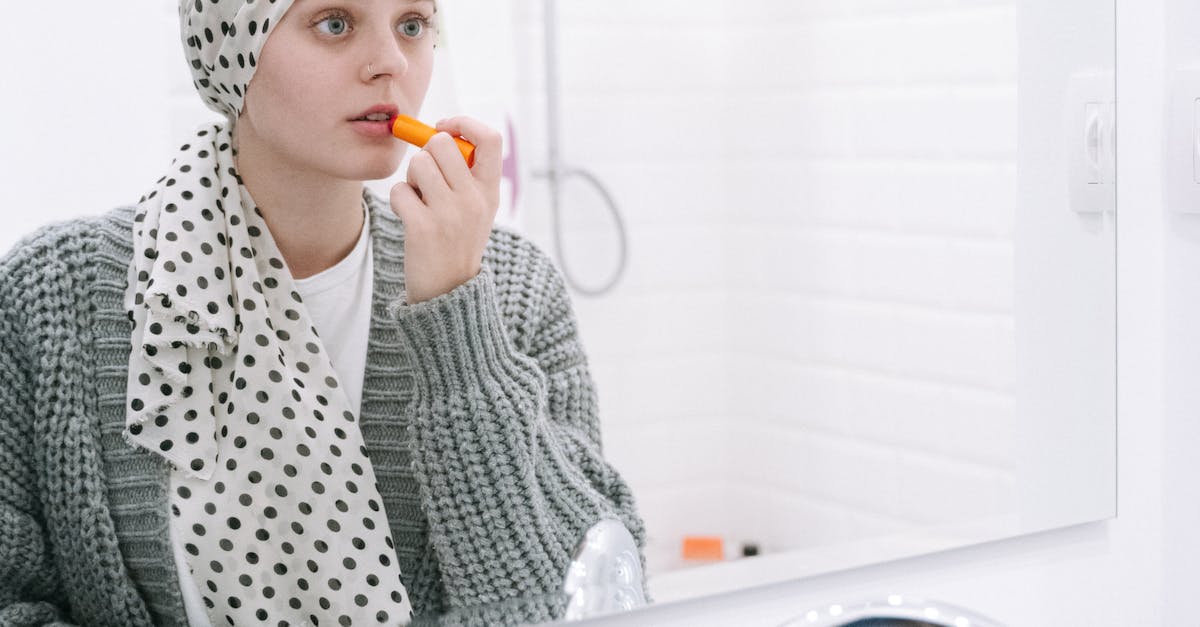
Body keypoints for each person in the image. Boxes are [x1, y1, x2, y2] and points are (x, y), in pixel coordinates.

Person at [0, 0, 646, 625]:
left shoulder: (508, 287)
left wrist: (457, 318)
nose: (390, 62)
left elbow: (579, 598)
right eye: (334, 23)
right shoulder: (51, 294)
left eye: (414, 24)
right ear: (234, 47)